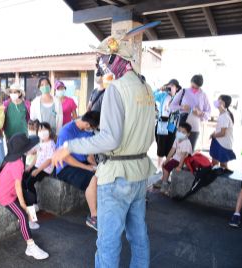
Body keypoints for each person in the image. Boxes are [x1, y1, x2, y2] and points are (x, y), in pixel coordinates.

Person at [52, 35, 156, 268]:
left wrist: (70, 146)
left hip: (117, 174)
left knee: (108, 243)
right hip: (140, 172)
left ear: (117, 58)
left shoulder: (116, 89)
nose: (101, 63)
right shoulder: (146, 89)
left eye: (104, 58)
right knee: (139, 238)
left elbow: (110, 139)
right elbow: (150, 135)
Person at [0, 133, 49, 260]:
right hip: (6, 197)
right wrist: (23, 205)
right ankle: (30, 247)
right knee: (22, 215)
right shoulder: (17, 163)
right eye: (32, 146)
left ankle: (32, 220)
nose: (34, 147)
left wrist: (25, 201)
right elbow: (18, 186)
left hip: (11, 191)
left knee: (30, 197)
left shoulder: (16, 158)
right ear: (25, 150)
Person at [55, 111, 99, 231]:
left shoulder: (88, 131)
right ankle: (93, 217)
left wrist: (96, 166)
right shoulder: (66, 131)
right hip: (65, 167)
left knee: (102, 174)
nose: (94, 131)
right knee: (93, 178)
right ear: (88, 125)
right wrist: (87, 168)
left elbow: (90, 155)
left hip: (82, 163)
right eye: (94, 128)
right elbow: (65, 157)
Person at [170, 74, 211, 151]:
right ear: (190, 82)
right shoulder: (183, 91)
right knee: (178, 149)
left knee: (190, 151)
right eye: (193, 86)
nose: (194, 89)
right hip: (182, 126)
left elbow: (208, 112)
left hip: (195, 127)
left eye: (197, 88)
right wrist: (182, 107)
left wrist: (201, 113)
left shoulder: (203, 95)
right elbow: (172, 106)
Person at [23, 122, 56, 219]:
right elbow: (37, 156)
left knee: (29, 183)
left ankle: (34, 204)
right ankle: (27, 203)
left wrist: (37, 171)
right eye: (40, 130)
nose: (41, 132)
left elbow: (49, 160)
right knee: (24, 177)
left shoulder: (51, 144)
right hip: (37, 166)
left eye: (44, 130)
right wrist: (30, 167)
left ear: (49, 131)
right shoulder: (41, 142)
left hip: (45, 169)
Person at [153, 79, 181, 172]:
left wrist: (174, 95)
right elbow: (151, 96)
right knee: (160, 145)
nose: (170, 88)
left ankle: (167, 166)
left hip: (171, 124)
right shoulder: (163, 95)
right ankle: (159, 167)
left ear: (176, 88)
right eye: (169, 86)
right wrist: (159, 89)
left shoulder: (178, 98)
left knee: (170, 145)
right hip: (161, 122)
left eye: (172, 86)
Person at [160, 123, 193, 194]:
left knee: (166, 168)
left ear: (188, 134)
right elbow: (172, 150)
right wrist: (167, 160)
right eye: (179, 131)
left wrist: (180, 166)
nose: (180, 133)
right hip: (176, 158)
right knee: (164, 165)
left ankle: (165, 184)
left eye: (183, 132)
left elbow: (184, 156)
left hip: (182, 161)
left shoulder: (186, 142)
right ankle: (165, 180)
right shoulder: (177, 139)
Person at [209, 95, 236, 172]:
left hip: (222, 143)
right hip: (221, 142)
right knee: (219, 165)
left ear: (223, 103)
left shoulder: (224, 115)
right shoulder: (223, 114)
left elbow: (222, 133)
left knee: (217, 165)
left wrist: (213, 135)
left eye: (219, 99)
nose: (217, 101)